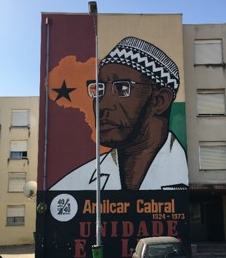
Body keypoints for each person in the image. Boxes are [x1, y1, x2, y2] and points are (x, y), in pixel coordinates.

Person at [51, 36, 188, 191]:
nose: (101, 105)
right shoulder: (67, 188)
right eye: (99, 89)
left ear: (160, 100)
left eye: (122, 88)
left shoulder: (182, 176)